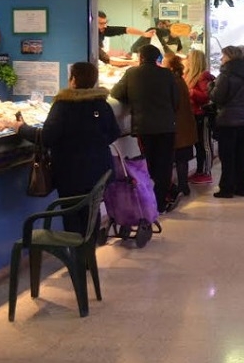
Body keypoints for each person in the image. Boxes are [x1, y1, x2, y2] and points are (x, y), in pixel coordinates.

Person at [10, 62, 120, 233]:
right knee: (92, 212)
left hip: (71, 172)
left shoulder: (64, 105)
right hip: (99, 171)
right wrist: (94, 143)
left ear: (73, 80)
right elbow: (114, 133)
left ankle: (76, 249)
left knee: (71, 214)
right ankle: (88, 247)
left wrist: (20, 128)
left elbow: (46, 137)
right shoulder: (102, 104)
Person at [111, 44, 179, 213]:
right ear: (157, 58)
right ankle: (161, 202)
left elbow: (116, 93)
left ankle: (149, 202)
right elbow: (176, 100)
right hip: (166, 127)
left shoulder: (131, 73)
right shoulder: (167, 74)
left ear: (140, 58)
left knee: (147, 165)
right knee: (164, 164)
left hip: (144, 127)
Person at [210, 46, 244, 198]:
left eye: (223, 56)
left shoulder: (225, 75)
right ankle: (243, 187)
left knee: (227, 155)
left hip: (227, 119)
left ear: (229, 57)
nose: (221, 59)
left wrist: (211, 88)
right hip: (243, 120)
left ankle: (227, 188)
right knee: (241, 154)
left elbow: (217, 97)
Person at [162, 53, 198, 198]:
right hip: (185, 124)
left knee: (175, 157)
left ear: (170, 66)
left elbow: (172, 103)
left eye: (164, 62)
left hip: (177, 125)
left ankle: (178, 186)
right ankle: (184, 185)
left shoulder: (172, 81)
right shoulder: (180, 80)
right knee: (182, 158)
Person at [184, 49, 216, 185]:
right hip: (193, 115)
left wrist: (191, 92)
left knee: (204, 144)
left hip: (202, 115)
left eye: (188, 58)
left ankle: (206, 172)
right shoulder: (188, 75)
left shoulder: (203, 77)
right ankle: (199, 170)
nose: (186, 60)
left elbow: (206, 97)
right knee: (198, 145)